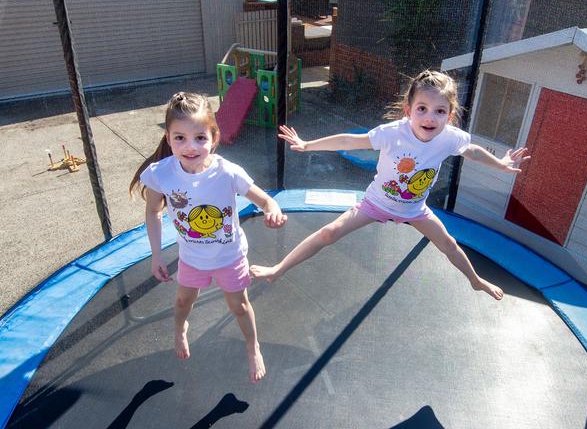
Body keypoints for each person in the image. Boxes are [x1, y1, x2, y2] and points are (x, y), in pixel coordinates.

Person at [251, 69, 530, 300]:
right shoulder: (392, 133)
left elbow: (472, 151)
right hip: (375, 203)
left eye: (439, 111)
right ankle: (278, 269)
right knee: (329, 233)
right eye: (422, 108)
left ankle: (475, 279)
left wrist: (500, 164)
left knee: (448, 244)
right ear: (408, 110)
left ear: (450, 114)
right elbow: (350, 140)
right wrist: (308, 144)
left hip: (415, 209)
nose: (430, 117)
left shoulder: (451, 138)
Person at [130, 92, 287, 383]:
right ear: (168, 137)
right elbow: (153, 212)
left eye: (199, 138)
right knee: (181, 304)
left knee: (239, 306)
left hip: (230, 257)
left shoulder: (227, 172)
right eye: (180, 138)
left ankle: (253, 347)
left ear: (213, 138)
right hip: (192, 259)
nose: (190, 147)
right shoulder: (161, 174)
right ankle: (180, 330)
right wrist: (156, 255)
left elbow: (265, 199)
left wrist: (272, 209)